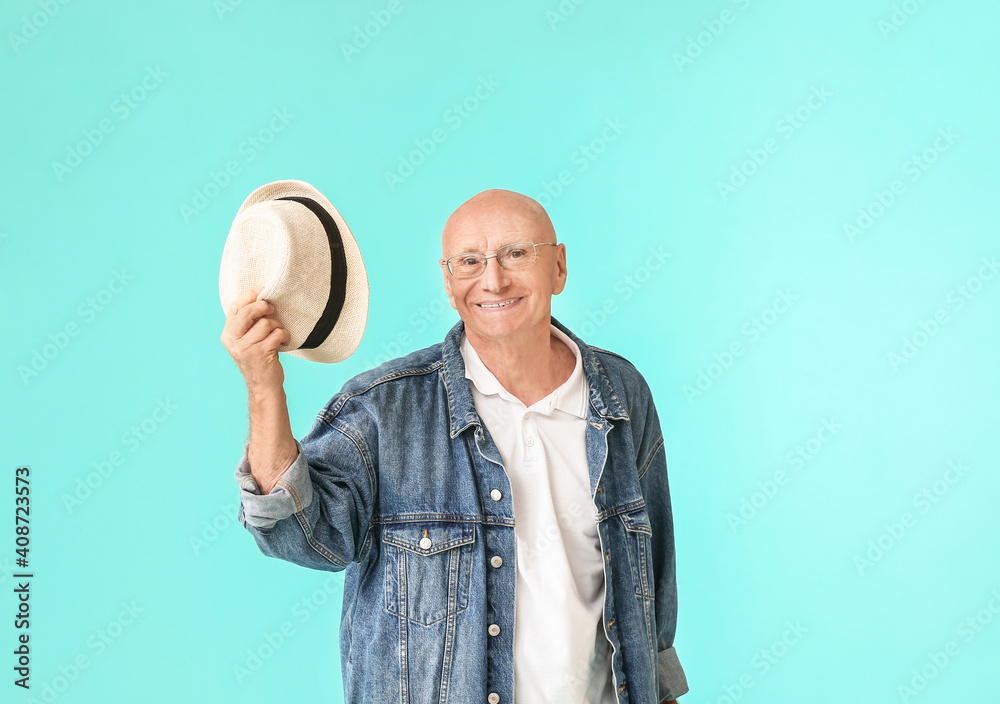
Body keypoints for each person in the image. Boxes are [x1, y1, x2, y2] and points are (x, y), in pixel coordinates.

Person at [220, 189, 688, 704]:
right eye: (469, 261)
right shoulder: (382, 410)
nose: (493, 279)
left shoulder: (621, 394)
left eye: (516, 253)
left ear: (558, 267)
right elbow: (298, 535)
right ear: (448, 283)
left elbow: (653, 580)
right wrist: (265, 388)